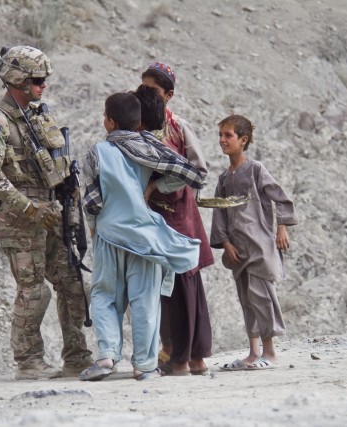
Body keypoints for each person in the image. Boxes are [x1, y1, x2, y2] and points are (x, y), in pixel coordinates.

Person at [0, 46, 93, 379]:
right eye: (38, 80)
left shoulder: (39, 115)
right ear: (19, 79)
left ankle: (77, 356)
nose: (43, 86)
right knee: (34, 290)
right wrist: (28, 207)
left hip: (51, 212)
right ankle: (29, 361)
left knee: (72, 283)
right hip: (19, 218)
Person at [79, 92, 206, 381]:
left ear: (109, 122)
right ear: (137, 122)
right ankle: (145, 366)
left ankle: (106, 357)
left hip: (109, 235)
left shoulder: (96, 152)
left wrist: (93, 226)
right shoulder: (152, 147)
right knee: (145, 301)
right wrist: (156, 186)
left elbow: (92, 202)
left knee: (104, 296)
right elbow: (193, 176)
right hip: (144, 238)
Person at [141, 63, 214, 376]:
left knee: (184, 285)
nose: (145, 94)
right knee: (168, 287)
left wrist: (157, 186)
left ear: (168, 95)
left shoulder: (177, 126)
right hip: (156, 216)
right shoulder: (141, 125)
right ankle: (184, 355)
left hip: (178, 214)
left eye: (153, 91)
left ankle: (184, 358)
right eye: (142, 88)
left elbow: (198, 171)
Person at [210, 114, 298, 371]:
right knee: (246, 298)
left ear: (243, 140)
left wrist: (281, 228)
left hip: (259, 246)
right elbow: (219, 214)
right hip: (238, 250)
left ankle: (270, 354)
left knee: (262, 297)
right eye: (220, 135)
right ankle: (252, 353)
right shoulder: (224, 178)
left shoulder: (256, 169)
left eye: (228, 135)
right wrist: (225, 244)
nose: (222, 140)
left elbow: (280, 198)